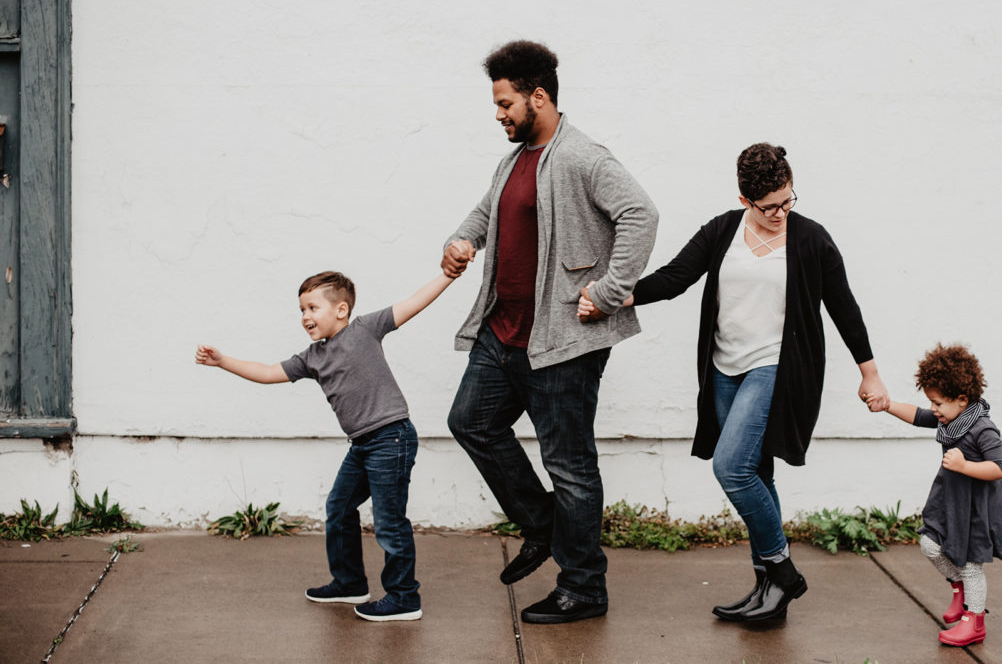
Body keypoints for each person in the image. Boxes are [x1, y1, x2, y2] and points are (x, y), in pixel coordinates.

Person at [578, 143, 889, 622]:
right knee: (757, 474)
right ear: (746, 200)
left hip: (775, 368)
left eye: (788, 201)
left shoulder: (811, 240)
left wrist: (869, 373)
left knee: (732, 469)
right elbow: (675, 277)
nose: (781, 213)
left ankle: (783, 571)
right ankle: (769, 592)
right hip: (724, 369)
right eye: (769, 207)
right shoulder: (724, 230)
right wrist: (614, 298)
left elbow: (843, 306)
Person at [440, 40, 658, 625]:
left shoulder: (583, 157)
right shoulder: (513, 160)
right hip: (503, 333)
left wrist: (609, 292)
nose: (499, 114)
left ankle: (584, 587)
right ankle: (542, 526)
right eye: (496, 103)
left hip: (561, 341)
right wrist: (461, 241)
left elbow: (642, 214)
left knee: (570, 465)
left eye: (505, 102)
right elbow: (486, 212)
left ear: (539, 96)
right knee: (471, 422)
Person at [195, 270, 456, 622]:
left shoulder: (365, 329)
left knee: (390, 522)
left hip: (391, 438)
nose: (305, 317)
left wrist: (448, 275)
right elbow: (269, 371)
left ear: (341, 310)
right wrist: (222, 361)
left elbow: (414, 302)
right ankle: (349, 583)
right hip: (362, 444)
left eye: (313, 308)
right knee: (339, 506)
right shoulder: (312, 357)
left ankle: (404, 597)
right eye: (301, 310)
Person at [866, 343, 1002, 647]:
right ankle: (958, 589)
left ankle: (974, 621)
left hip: (975, 508)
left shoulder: (982, 428)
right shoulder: (950, 420)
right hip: (950, 502)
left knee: (970, 564)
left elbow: (999, 468)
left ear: (962, 399)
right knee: (930, 543)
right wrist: (887, 404)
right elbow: (918, 415)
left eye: (938, 403)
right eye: (931, 402)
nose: (933, 409)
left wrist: (964, 465)